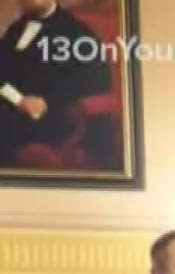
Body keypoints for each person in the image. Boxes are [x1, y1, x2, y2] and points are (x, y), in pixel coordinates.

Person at [0, 0, 109, 164]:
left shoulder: (76, 31)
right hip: (12, 109)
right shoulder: (15, 29)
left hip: (52, 117)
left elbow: (97, 78)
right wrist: (17, 99)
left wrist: (47, 102)